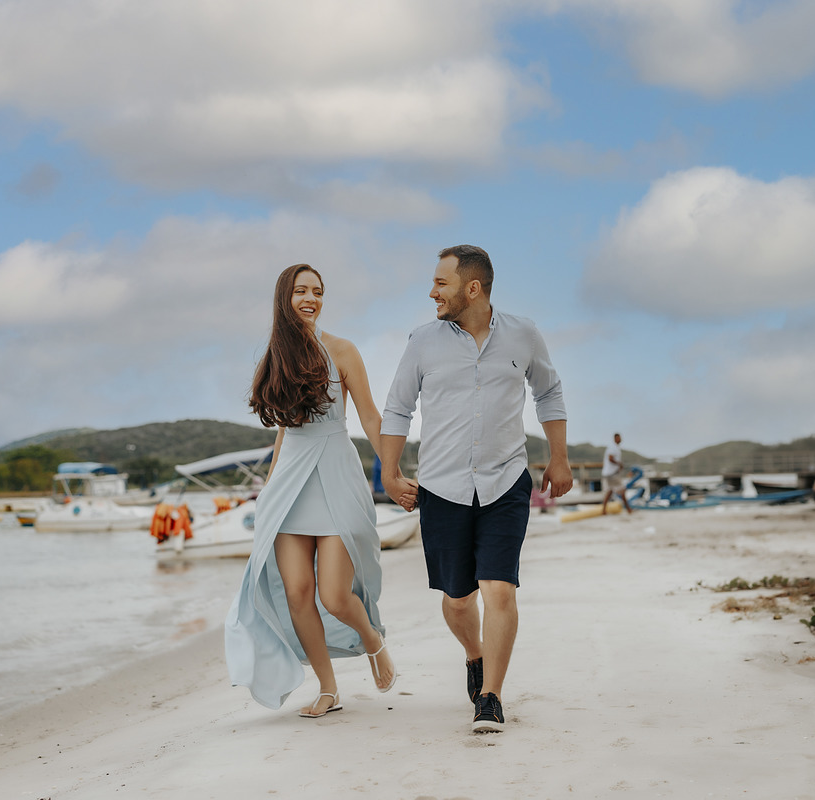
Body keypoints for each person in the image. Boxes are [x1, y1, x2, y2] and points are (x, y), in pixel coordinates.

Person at [379, 244, 572, 734]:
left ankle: (491, 697)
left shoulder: (524, 334)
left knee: (499, 589)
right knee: (459, 599)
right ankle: (474, 653)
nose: (432, 292)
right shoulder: (422, 341)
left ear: (473, 288)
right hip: (442, 487)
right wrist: (390, 471)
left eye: (440, 283)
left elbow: (548, 391)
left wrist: (560, 457)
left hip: (505, 482)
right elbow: (398, 407)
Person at [225, 263, 396, 718]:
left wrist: (393, 472)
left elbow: (370, 417)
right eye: (301, 291)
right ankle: (328, 687)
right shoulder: (275, 357)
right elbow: (284, 430)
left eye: (317, 291)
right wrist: (269, 489)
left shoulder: (342, 350)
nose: (311, 299)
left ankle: (373, 640)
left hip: (336, 471)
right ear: (284, 298)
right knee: (298, 592)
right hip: (290, 483)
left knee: (335, 595)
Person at [601, 433, 633, 515]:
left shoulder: (614, 447)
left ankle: (604, 510)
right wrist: (619, 464)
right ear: (615, 438)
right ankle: (628, 509)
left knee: (610, 491)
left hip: (609, 474)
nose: (620, 439)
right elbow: (610, 458)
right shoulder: (613, 447)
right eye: (619, 438)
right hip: (612, 474)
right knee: (622, 490)